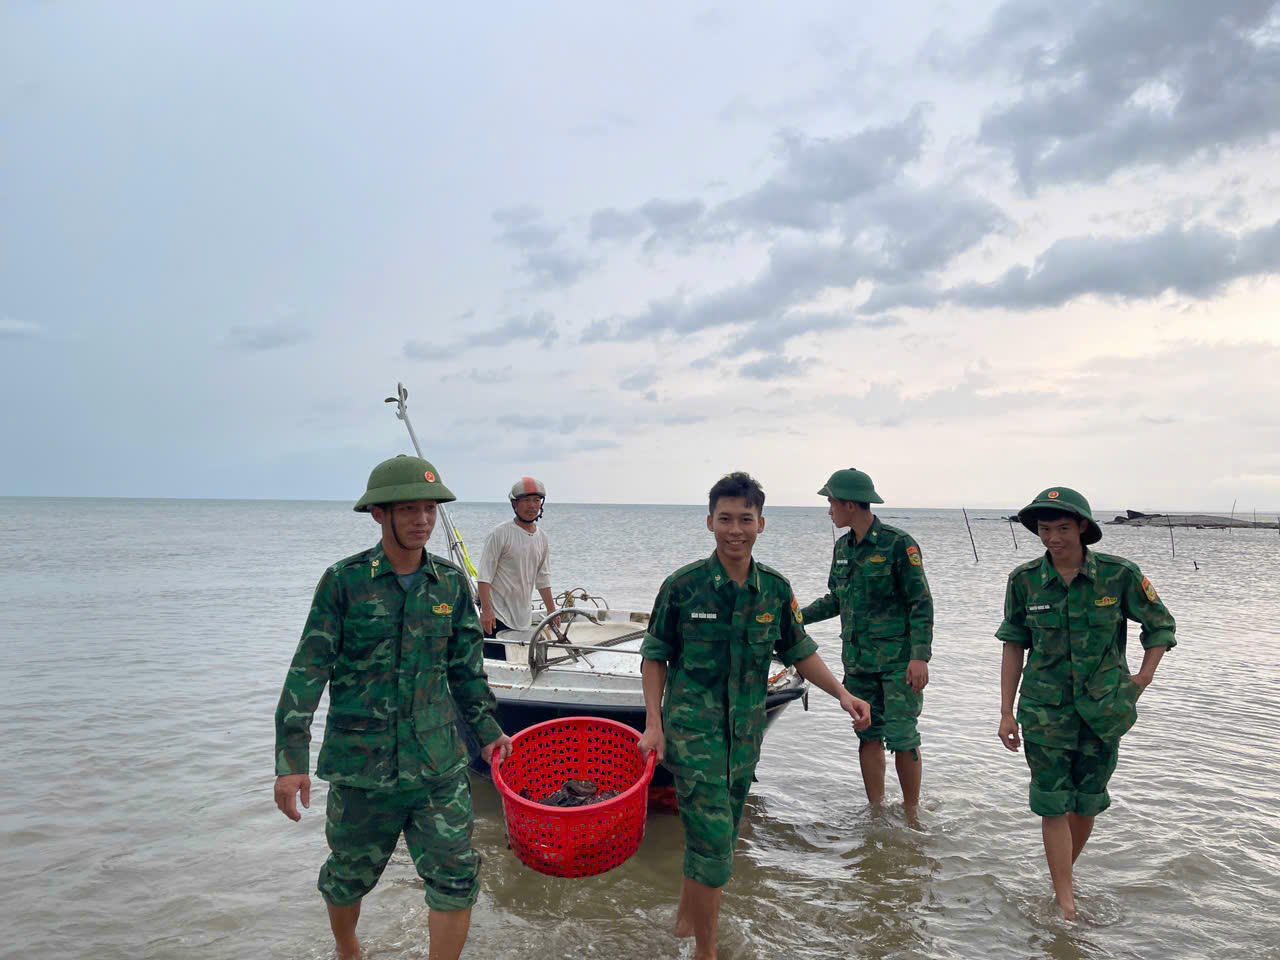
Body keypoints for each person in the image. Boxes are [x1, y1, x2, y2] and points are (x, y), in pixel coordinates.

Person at [273, 455, 512, 960]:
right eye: (408, 509)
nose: (422, 520)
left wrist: (489, 731)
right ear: (380, 514)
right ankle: (347, 949)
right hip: (363, 770)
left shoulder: (449, 585)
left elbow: (466, 673)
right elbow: (307, 671)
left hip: (438, 767)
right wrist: (291, 762)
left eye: (429, 509)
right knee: (346, 879)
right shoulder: (344, 582)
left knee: (455, 876)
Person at [638, 471, 872, 960]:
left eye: (746, 519)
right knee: (716, 845)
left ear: (761, 524)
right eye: (725, 519)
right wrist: (654, 725)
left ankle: (685, 916)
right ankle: (707, 951)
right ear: (709, 522)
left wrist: (843, 695)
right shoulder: (683, 587)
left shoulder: (774, 590)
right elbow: (654, 655)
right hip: (693, 734)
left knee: (714, 837)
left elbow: (798, 650)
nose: (735, 529)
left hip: (744, 739)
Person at [996, 486, 1175, 920]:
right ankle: (1065, 900)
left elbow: (1160, 626)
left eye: (1061, 528)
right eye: (1043, 529)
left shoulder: (1119, 575)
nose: (1053, 538)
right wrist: (1005, 711)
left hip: (1104, 710)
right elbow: (1013, 645)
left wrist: (1141, 681)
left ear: (1082, 527)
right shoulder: (1024, 581)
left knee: (1087, 802)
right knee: (1052, 802)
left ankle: (1061, 878)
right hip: (1043, 710)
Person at [799, 468, 934, 814]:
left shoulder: (898, 543)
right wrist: (795, 618)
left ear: (849, 504)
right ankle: (876, 811)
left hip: (898, 663)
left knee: (903, 737)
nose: (829, 509)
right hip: (858, 662)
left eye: (831, 502)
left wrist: (920, 657)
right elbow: (835, 599)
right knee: (867, 735)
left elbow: (920, 602)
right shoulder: (842, 547)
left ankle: (912, 813)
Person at [476, 477, 555, 659]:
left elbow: (543, 579)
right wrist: (486, 611)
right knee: (495, 667)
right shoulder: (500, 533)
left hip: (523, 619)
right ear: (514, 504)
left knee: (521, 666)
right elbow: (484, 576)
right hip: (497, 617)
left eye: (536, 500)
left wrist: (552, 612)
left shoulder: (541, 538)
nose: (532, 506)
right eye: (526, 500)